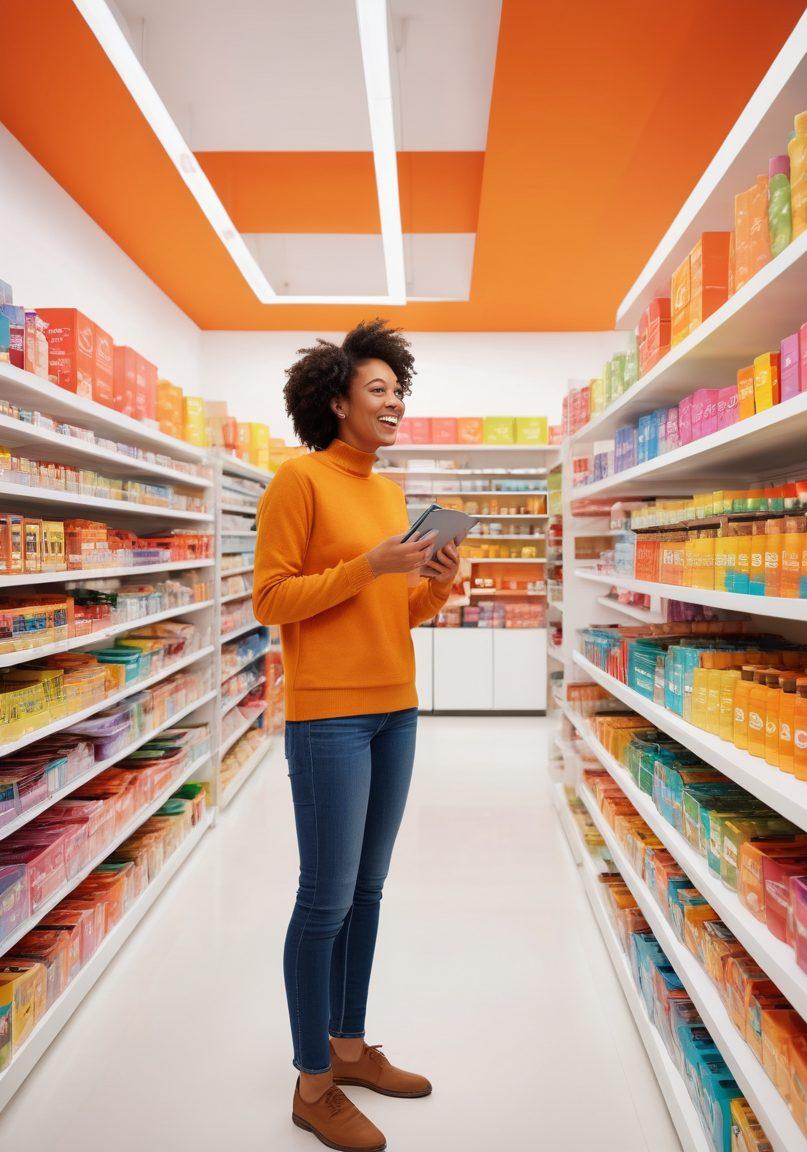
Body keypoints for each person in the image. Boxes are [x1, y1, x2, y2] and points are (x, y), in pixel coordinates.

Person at [253, 320, 459, 1152]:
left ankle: (348, 1046)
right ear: (336, 402)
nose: (395, 402)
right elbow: (271, 599)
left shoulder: (386, 490)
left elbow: (390, 611)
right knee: (325, 897)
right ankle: (311, 1084)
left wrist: (433, 587)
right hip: (328, 716)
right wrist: (368, 566)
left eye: (398, 389)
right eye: (378, 390)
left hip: (394, 708)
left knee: (368, 892)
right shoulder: (297, 481)